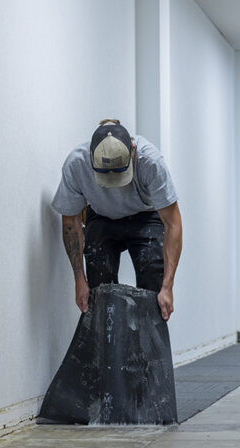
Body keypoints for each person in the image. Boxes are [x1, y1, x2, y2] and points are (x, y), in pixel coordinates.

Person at [52, 119, 182, 321]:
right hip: (102, 217)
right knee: (99, 293)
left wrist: (167, 287)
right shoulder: (76, 164)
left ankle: (146, 351)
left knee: (153, 288)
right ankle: (108, 348)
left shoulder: (150, 162)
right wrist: (79, 279)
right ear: (91, 158)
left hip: (145, 217)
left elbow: (172, 224)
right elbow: (71, 223)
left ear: (132, 150)